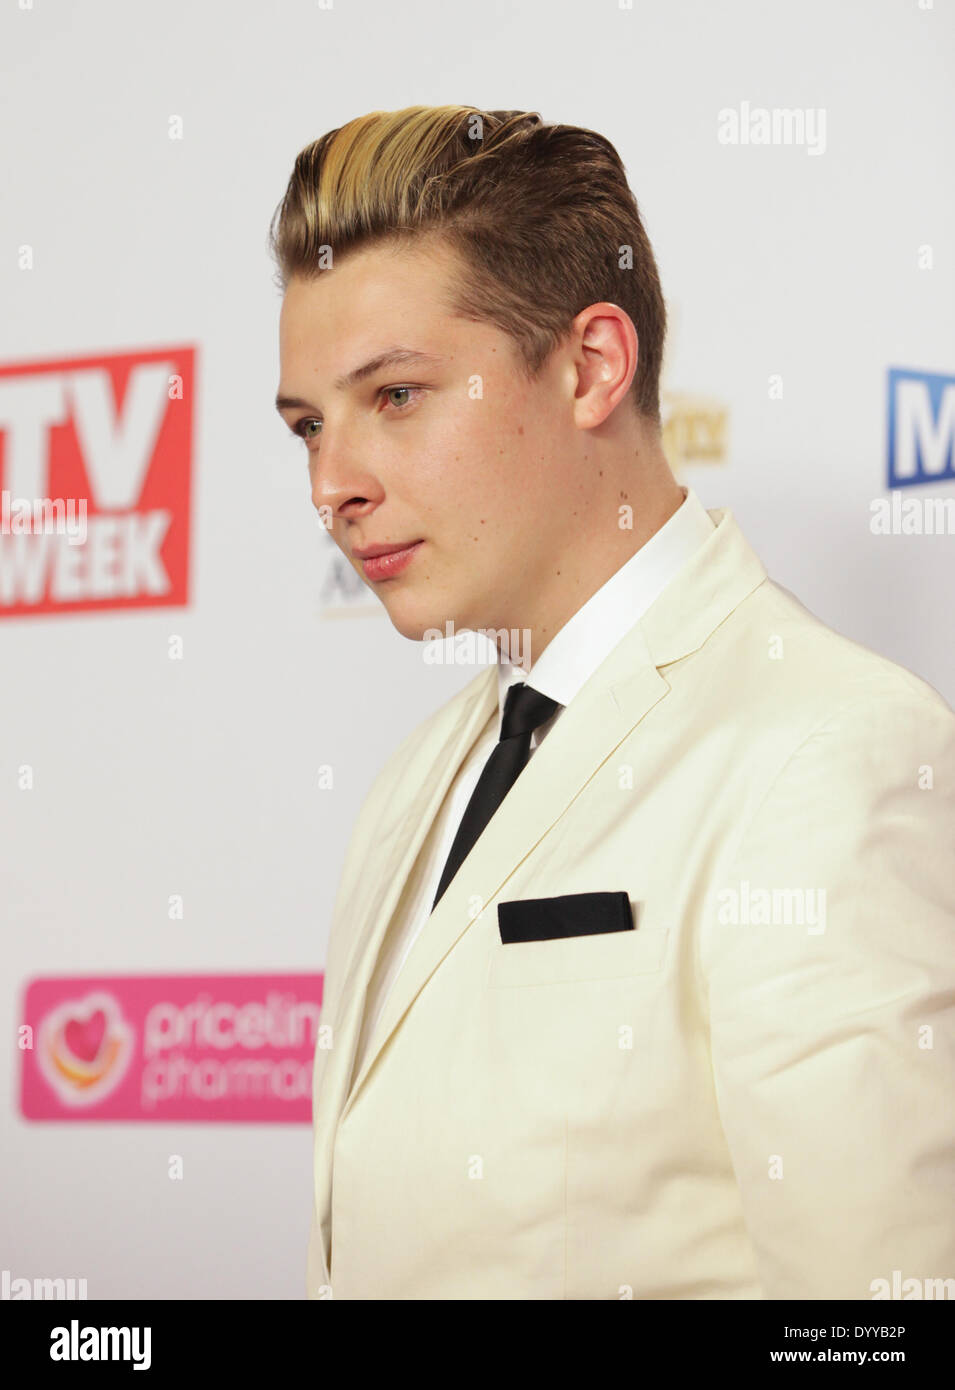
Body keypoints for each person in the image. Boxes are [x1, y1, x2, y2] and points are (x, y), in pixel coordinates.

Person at [270, 106, 955, 1300]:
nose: (333, 485)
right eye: (308, 427)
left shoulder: (827, 750)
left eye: (394, 397)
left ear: (591, 366)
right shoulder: (413, 782)